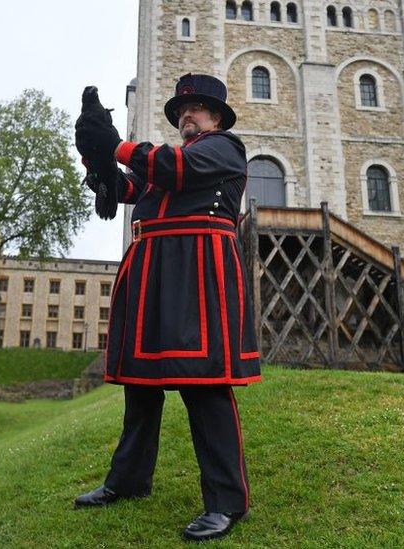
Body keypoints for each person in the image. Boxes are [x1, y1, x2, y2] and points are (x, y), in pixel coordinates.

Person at [73, 73, 261, 542]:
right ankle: (128, 481)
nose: (185, 118)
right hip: (152, 269)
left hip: (198, 271)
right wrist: (97, 161)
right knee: (139, 386)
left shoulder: (223, 148)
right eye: (180, 113)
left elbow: (171, 168)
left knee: (205, 389)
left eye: (194, 109)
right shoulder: (169, 161)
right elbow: (129, 189)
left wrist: (116, 144)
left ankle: (226, 503)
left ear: (216, 116)